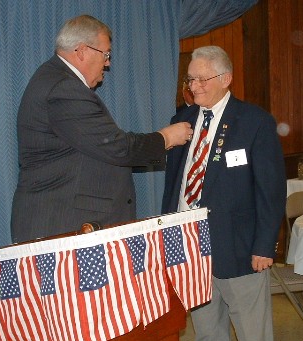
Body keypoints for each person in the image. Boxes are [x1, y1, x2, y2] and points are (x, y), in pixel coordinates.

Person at [162, 46, 286, 341]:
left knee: (252, 337)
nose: (194, 87)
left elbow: (271, 190)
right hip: (191, 246)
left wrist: (266, 245)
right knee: (207, 328)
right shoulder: (182, 119)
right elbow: (174, 183)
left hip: (239, 246)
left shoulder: (254, 122)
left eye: (202, 79)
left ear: (226, 79)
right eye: (190, 79)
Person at [10, 15, 192, 243]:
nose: (108, 63)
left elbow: (101, 153)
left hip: (69, 223)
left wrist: (159, 151)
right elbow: (116, 148)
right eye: (106, 54)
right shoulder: (63, 88)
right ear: (82, 51)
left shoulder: (55, 80)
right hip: (65, 226)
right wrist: (165, 138)